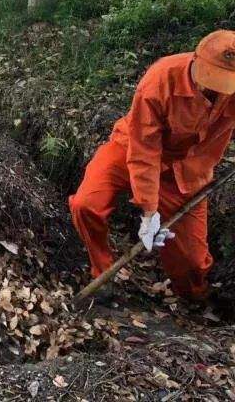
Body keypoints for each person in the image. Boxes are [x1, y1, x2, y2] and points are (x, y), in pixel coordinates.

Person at [69, 30, 235, 302]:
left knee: (193, 261)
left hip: (187, 172)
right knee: (85, 204)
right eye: (211, 79)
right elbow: (144, 150)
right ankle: (101, 270)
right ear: (196, 60)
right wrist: (149, 211)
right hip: (130, 148)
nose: (214, 89)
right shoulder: (160, 80)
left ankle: (195, 300)